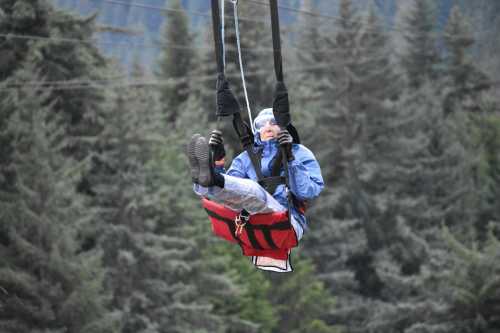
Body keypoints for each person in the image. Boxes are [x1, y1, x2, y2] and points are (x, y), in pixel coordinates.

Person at [186, 108, 324, 272]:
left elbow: (307, 191)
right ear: (256, 130)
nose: (268, 126)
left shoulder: (300, 152)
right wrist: (218, 163)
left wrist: (291, 160)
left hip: (287, 219)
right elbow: (233, 189)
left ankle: (208, 181)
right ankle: (205, 181)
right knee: (235, 194)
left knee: (254, 192)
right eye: (261, 124)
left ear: (283, 127)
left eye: (273, 122)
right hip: (250, 219)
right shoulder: (246, 158)